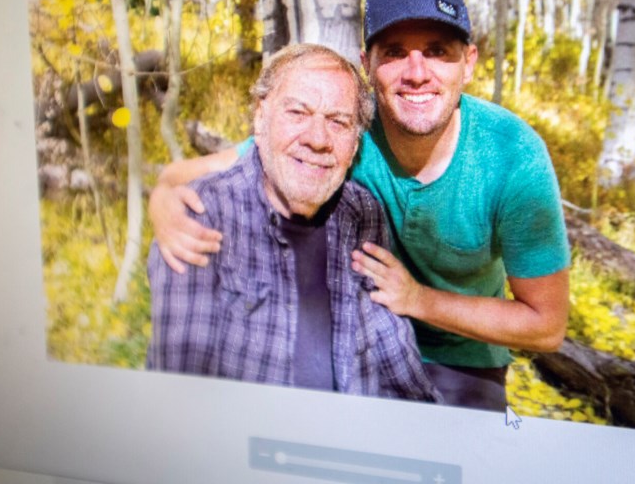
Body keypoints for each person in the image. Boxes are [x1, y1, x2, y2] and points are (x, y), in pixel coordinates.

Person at [150, 0, 570, 411]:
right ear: (366, 64)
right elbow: (195, 172)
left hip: (463, 354)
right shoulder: (343, 133)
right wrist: (164, 202)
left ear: (468, 62)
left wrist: (418, 300)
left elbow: (545, 326)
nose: (416, 72)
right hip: (359, 337)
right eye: (393, 52)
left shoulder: (511, 156)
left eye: (436, 51)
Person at [146, 43, 440, 403]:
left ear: (355, 143)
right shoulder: (201, 217)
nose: (318, 139)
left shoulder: (361, 213)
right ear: (261, 117)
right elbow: (180, 397)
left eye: (338, 122)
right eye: (298, 112)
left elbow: (396, 364)